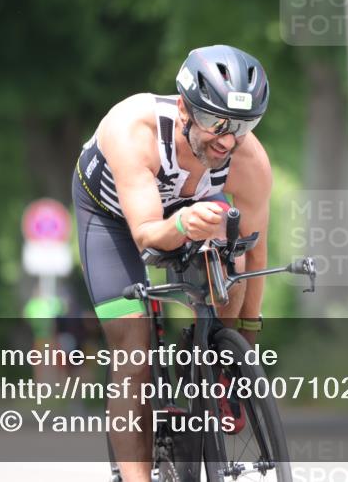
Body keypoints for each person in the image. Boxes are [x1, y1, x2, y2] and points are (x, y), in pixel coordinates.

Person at [71, 45, 272, 482]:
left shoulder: (248, 158)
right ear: (185, 107)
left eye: (242, 125)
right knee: (133, 350)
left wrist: (245, 339)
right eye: (217, 121)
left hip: (188, 204)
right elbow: (146, 234)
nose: (227, 138)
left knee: (231, 262)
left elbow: (257, 251)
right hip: (112, 217)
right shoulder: (134, 128)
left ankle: (211, 361)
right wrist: (181, 221)